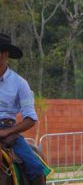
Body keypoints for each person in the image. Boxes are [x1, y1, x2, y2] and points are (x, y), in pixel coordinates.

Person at [0, 33, 45, 184]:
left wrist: (6, 131)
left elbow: (31, 119)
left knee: (35, 168)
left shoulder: (20, 83)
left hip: (7, 133)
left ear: (5, 55)